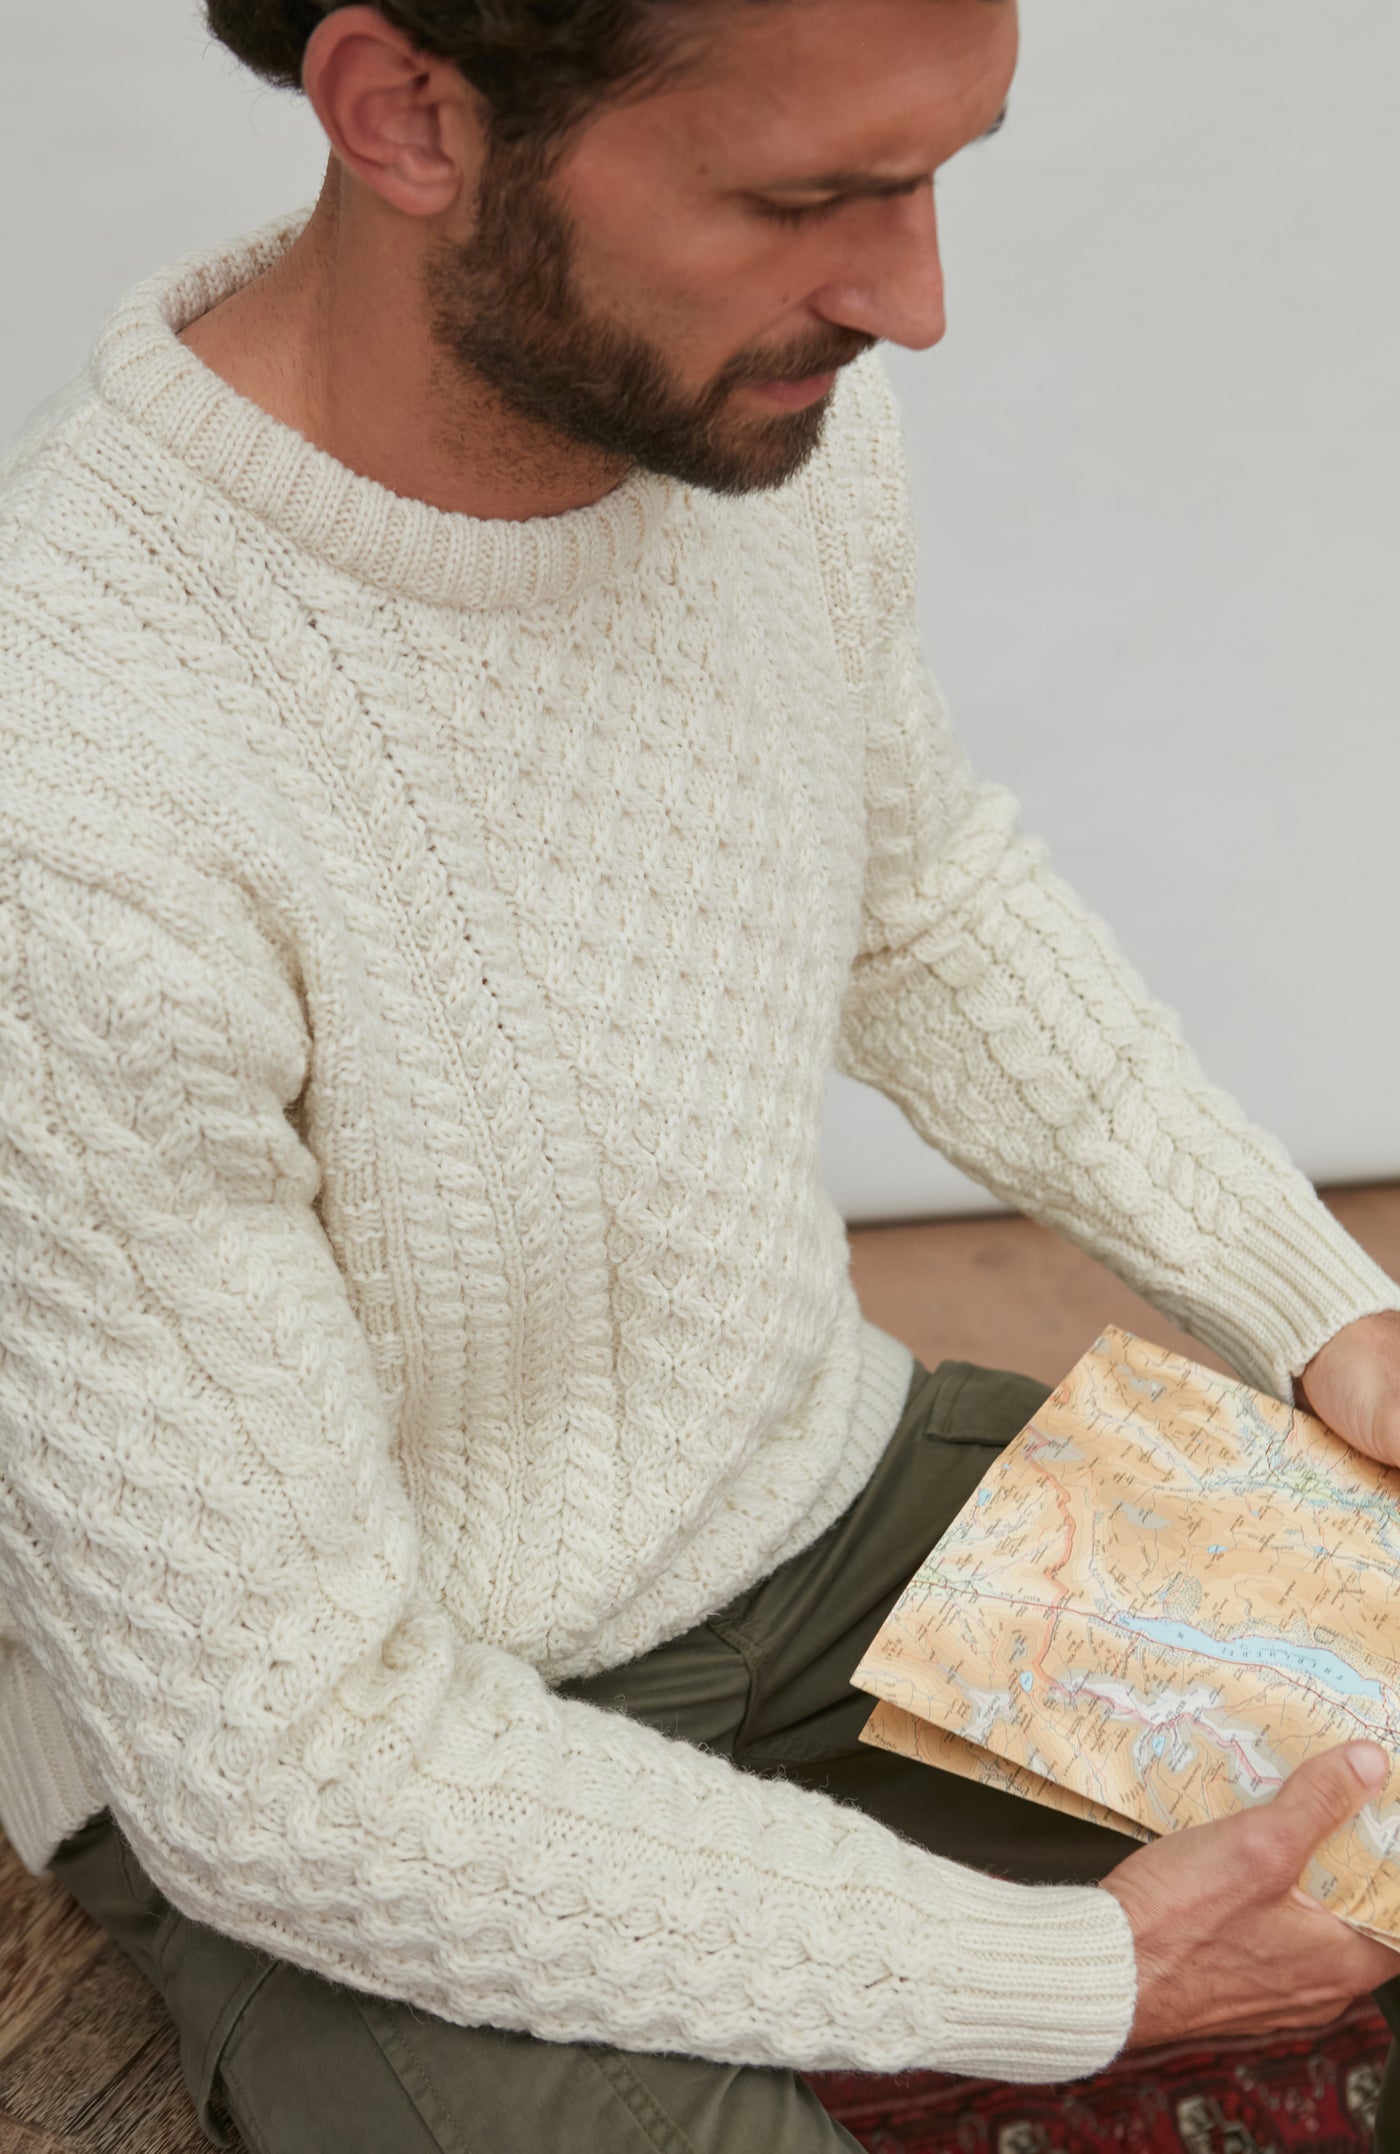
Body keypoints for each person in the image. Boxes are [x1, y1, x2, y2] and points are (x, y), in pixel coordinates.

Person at [3, 1, 1400, 2148]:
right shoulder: (73, 787)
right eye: (805, 201)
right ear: (406, 115)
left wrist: (1325, 1309)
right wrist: (1069, 1978)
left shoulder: (757, 420)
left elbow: (919, 904)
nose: (911, 301)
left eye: (939, 173)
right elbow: (289, 1766)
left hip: (823, 1515)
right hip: (362, 1776)